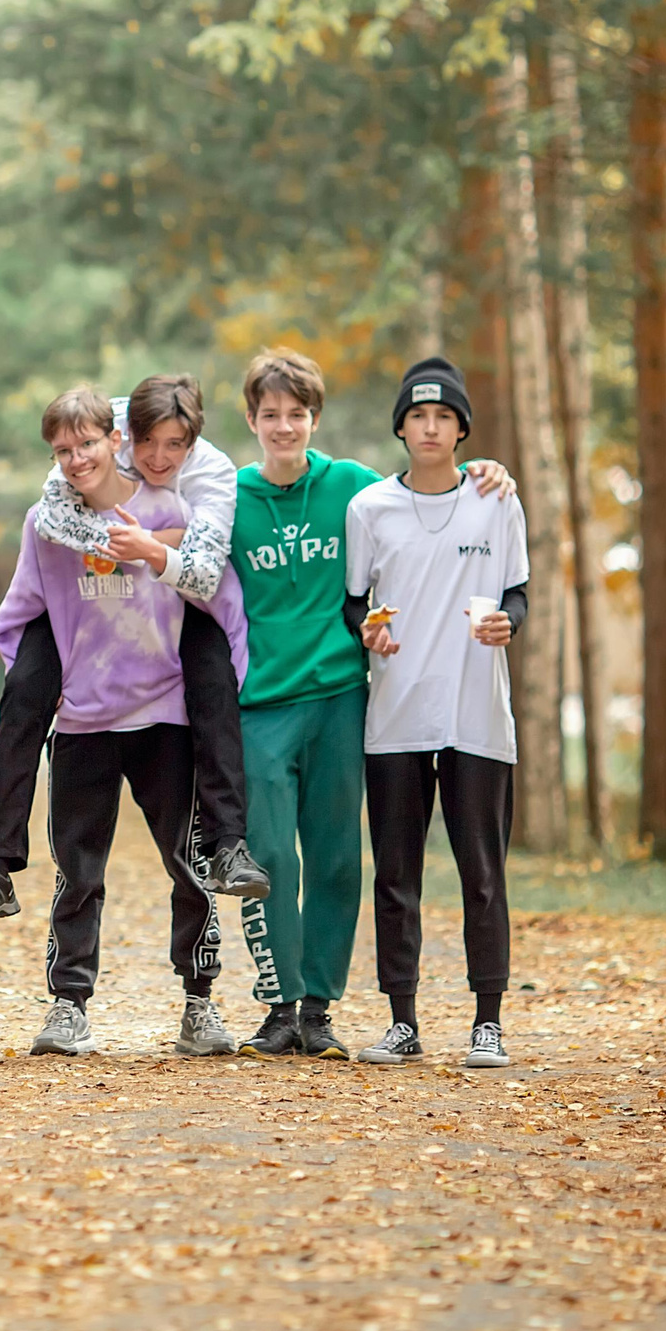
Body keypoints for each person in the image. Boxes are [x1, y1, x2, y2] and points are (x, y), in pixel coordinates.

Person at [226, 348, 513, 1060]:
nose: (285, 426)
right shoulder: (228, 497)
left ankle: (317, 1009)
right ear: (252, 420)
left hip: (339, 696)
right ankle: (277, 1004)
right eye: (271, 414)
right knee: (269, 857)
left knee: (335, 857)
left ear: (315, 418)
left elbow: (422, 503)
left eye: (297, 414)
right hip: (260, 699)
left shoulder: (353, 491)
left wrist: (491, 469)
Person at [0, 382, 252, 1059]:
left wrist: (223, 690)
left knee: (189, 863)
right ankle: (68, 1004)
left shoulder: (177, 506)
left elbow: (221, 601)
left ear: (112, 441)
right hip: (84, 720)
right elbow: (21, 612)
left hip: (165, 715)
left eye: (88, 442)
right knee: (77, 869)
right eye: (64, 449)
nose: (78, 456)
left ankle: (200, 1002)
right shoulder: (46, 520)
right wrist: (49, 683)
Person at [0, 381, 265, 926]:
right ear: (124, 437)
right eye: (147, 443)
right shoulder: (91, 439)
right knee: (25, 687)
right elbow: (52, 514)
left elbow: (207, 571)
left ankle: (228, 843)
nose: (159, 457)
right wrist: (143, 538)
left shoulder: (211, 474)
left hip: (182, 595)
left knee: (210, 679)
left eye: (175, 445)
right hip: (81, 598)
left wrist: (154, 545)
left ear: (193, 441)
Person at [342, 357, 530, 1071]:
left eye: (443, 417)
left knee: (482, 871)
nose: (429, 426)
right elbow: (354, 602)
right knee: (396, 872)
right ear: (401, 427)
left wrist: (507, 624)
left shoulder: (496, 500)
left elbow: (516, 593)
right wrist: (369, 629)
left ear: (461, 430)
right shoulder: (369, 509)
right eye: (418, 416)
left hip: (477, 714)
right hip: (395, 715)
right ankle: (402, 1019)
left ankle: (488, 1021)